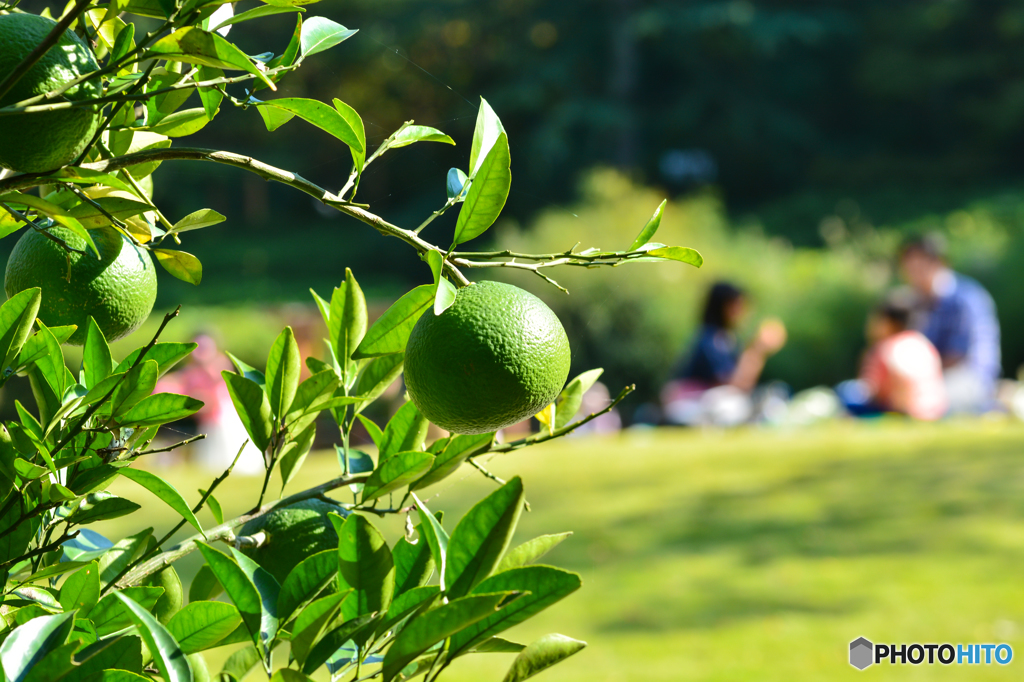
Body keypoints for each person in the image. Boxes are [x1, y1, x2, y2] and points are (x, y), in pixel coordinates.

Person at [899, 233, 1001, 413]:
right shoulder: (913, 302)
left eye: (919, 267)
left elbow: (957, 355)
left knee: (921, 403)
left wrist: (910, 374)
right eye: (910, 269)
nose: (914, 275)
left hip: (970, 378)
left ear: (939, 263)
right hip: (930, 378)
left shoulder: (965, 299)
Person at [662, 282, 787, 425]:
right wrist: (757, 350)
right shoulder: (711, 339)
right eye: (737, 304)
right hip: (689, 404)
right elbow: (734, 385)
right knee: (732, 405)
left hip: (705, 403)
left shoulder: (727, 339)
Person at [838, 292, 947, 420]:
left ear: (888, 323)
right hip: (935, 410)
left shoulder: (885, 347)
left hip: (902, 412)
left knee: (846, 391)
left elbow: (874, 389)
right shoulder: (923, 343)